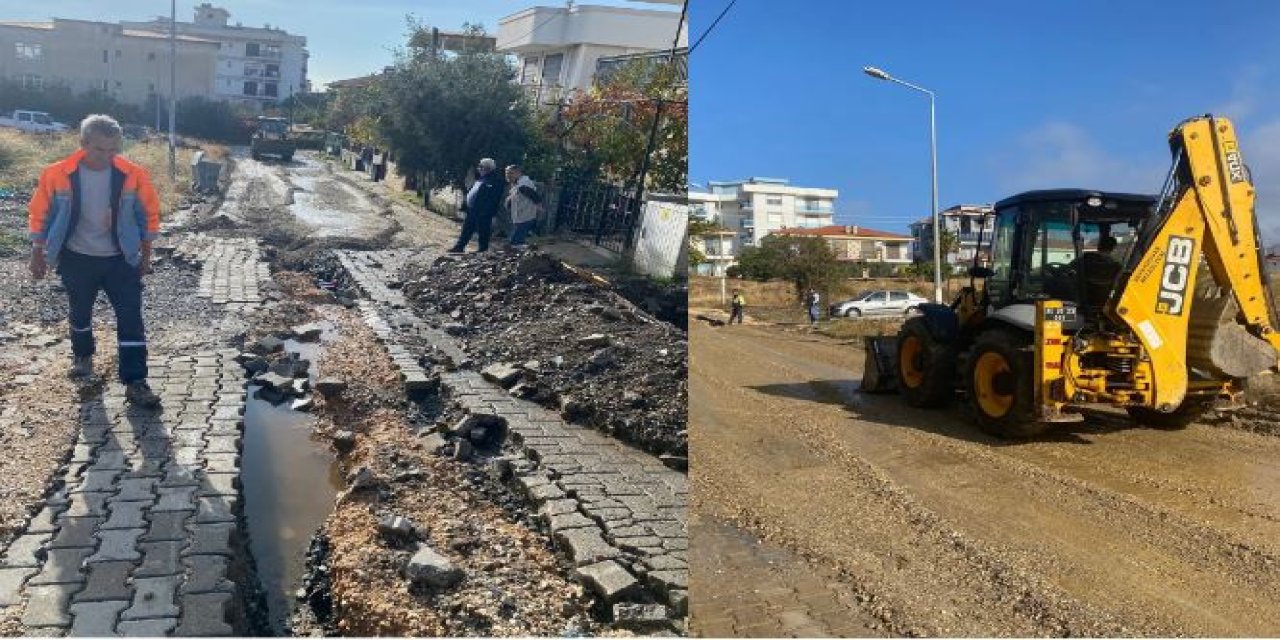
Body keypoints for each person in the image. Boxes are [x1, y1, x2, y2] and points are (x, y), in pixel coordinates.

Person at [27, 114, 162, 408]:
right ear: (83, 143)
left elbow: (147, 215)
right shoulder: (57, 173)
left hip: (120, 260)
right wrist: (37, 252)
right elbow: (41, 213)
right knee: (80, 312)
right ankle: (83, 355)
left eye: (114, 149)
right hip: (77, 257)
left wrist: (145, 256)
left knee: (131, 319)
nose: (107, 157)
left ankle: (135, 381)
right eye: (100, 149)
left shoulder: (132, 174)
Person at [450, 158, 506, 253]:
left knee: (483, 230)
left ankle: (482, 249)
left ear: (487, 168)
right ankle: (459, 247)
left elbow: (493, 198)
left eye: (480, 167)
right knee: (467, 228)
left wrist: (488, 210)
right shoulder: (481, 178)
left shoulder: (495, 180)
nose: (478, 169)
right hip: (473, 209)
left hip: (484, 211)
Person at [1073, 235, 1123, 313]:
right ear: (1113, 248)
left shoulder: (1085, 259)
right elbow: (1116, 285)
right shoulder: (1117, 266)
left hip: (1080, 300)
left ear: (1098, 246)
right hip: (1104, 302)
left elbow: (1067, 269)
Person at [504, 164, 541, 250]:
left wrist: (539, 205)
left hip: (524, 214)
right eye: (506, 173)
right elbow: (514, 195)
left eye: (511, 173)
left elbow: (533, 195)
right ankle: (518, 247)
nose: (508, 175)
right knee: (517, 234)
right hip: (520, 214)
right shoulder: (518, 183)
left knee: (517, 236)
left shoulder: (523, 184)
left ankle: (520, 247)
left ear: (518, 173)